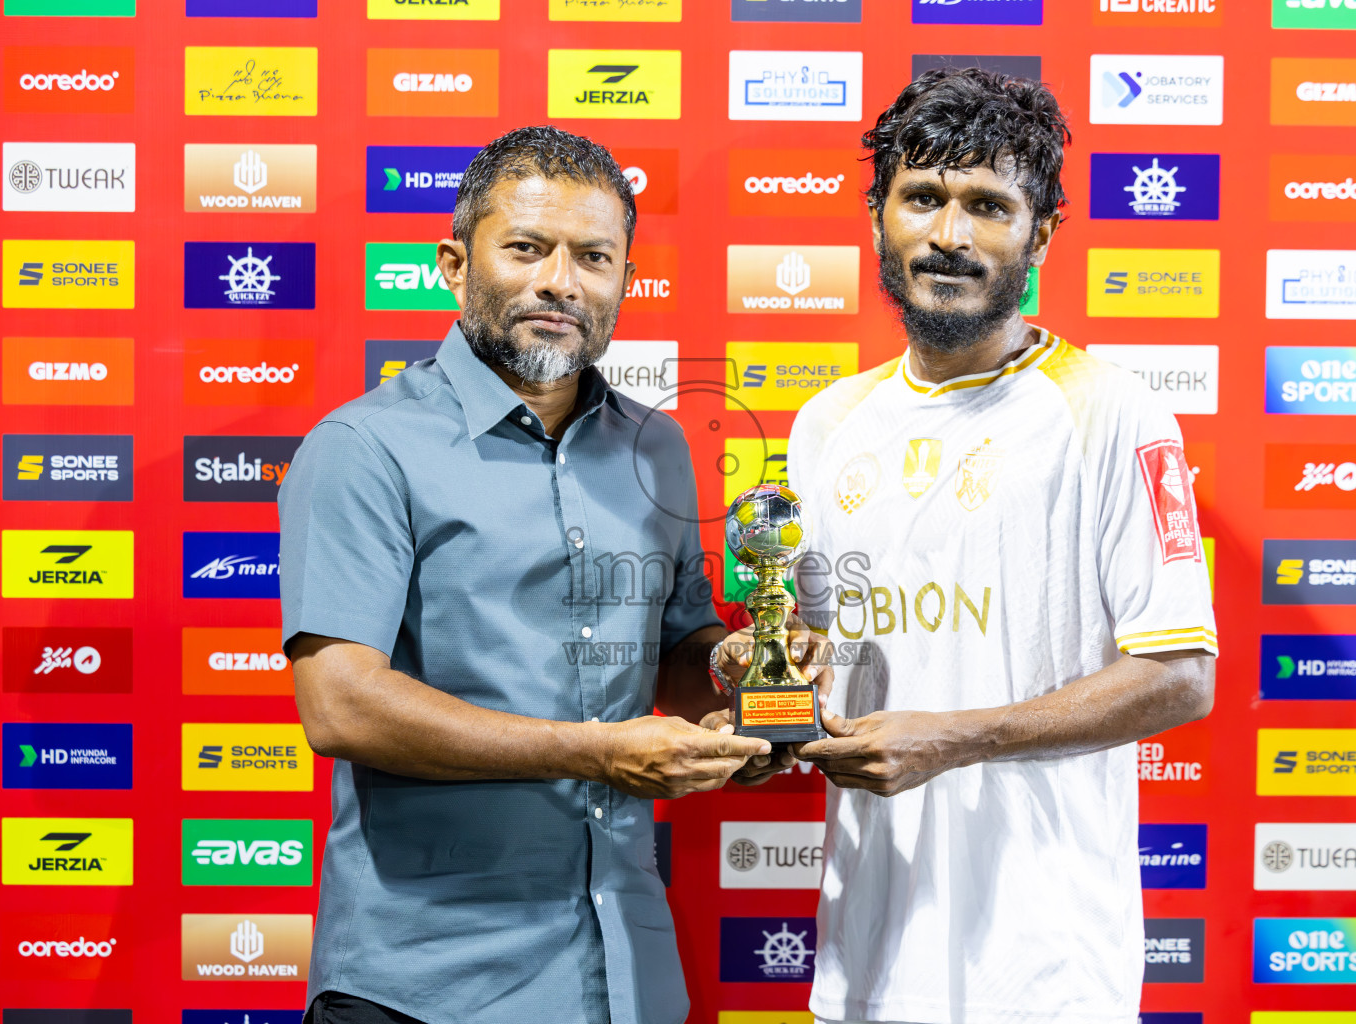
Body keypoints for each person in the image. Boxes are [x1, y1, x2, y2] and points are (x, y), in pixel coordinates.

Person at [279, 125, 816, 1024]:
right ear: (454, 264)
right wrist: (601, 752)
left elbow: (680, 654)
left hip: (624, 975)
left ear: (623, 282)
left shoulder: (659, 445)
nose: (561, 281)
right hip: (426, 984)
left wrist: (739, 677)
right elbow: (340, 705)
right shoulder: (362, 447)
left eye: (594, 257)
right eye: (527, 248)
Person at [778, 68, 1219, 1024]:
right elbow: (815, 654)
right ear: (878, 217)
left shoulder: (1113, 412)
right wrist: (773, 691)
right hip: (866, 960)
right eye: (923, 197)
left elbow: (1182, 677)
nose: (950, 235)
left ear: (1042, 232)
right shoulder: (826, 422)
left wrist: (956, 737)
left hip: (1045, 974)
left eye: (988, 204)